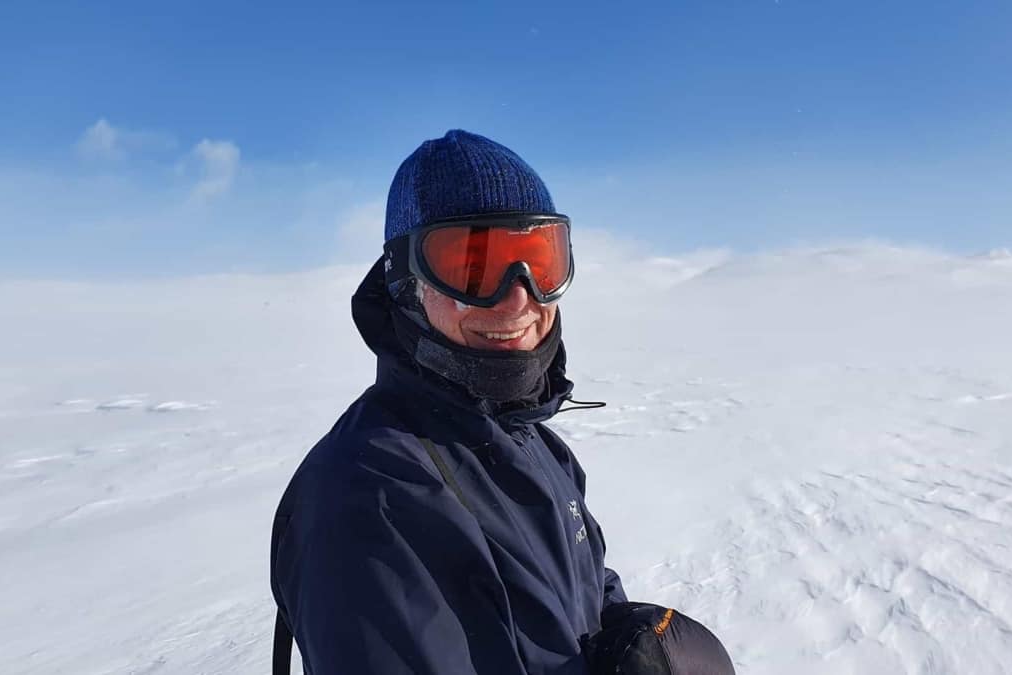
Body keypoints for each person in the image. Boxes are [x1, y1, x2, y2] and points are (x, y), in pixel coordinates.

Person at [270, 130, 734, 674]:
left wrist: (638, 645)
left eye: (538, 262)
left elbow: (583, 588)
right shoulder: (369, 495)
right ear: (405, 284)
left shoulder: (535, 443)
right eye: (473, 267)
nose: (518, 297)